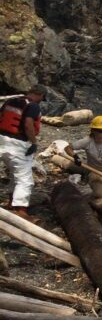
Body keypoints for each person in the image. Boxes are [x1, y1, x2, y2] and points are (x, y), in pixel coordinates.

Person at [0, 85, 46, 221]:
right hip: (17, 144)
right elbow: (28, 124)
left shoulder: (11, 101)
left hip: (1, 139)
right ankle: (21, 211)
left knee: (15, 173)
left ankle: (11, 202)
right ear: (40, 95)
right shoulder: (33, 106)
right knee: (25, 179)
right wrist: (34, 142)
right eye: (42, 98)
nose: (41, 101)